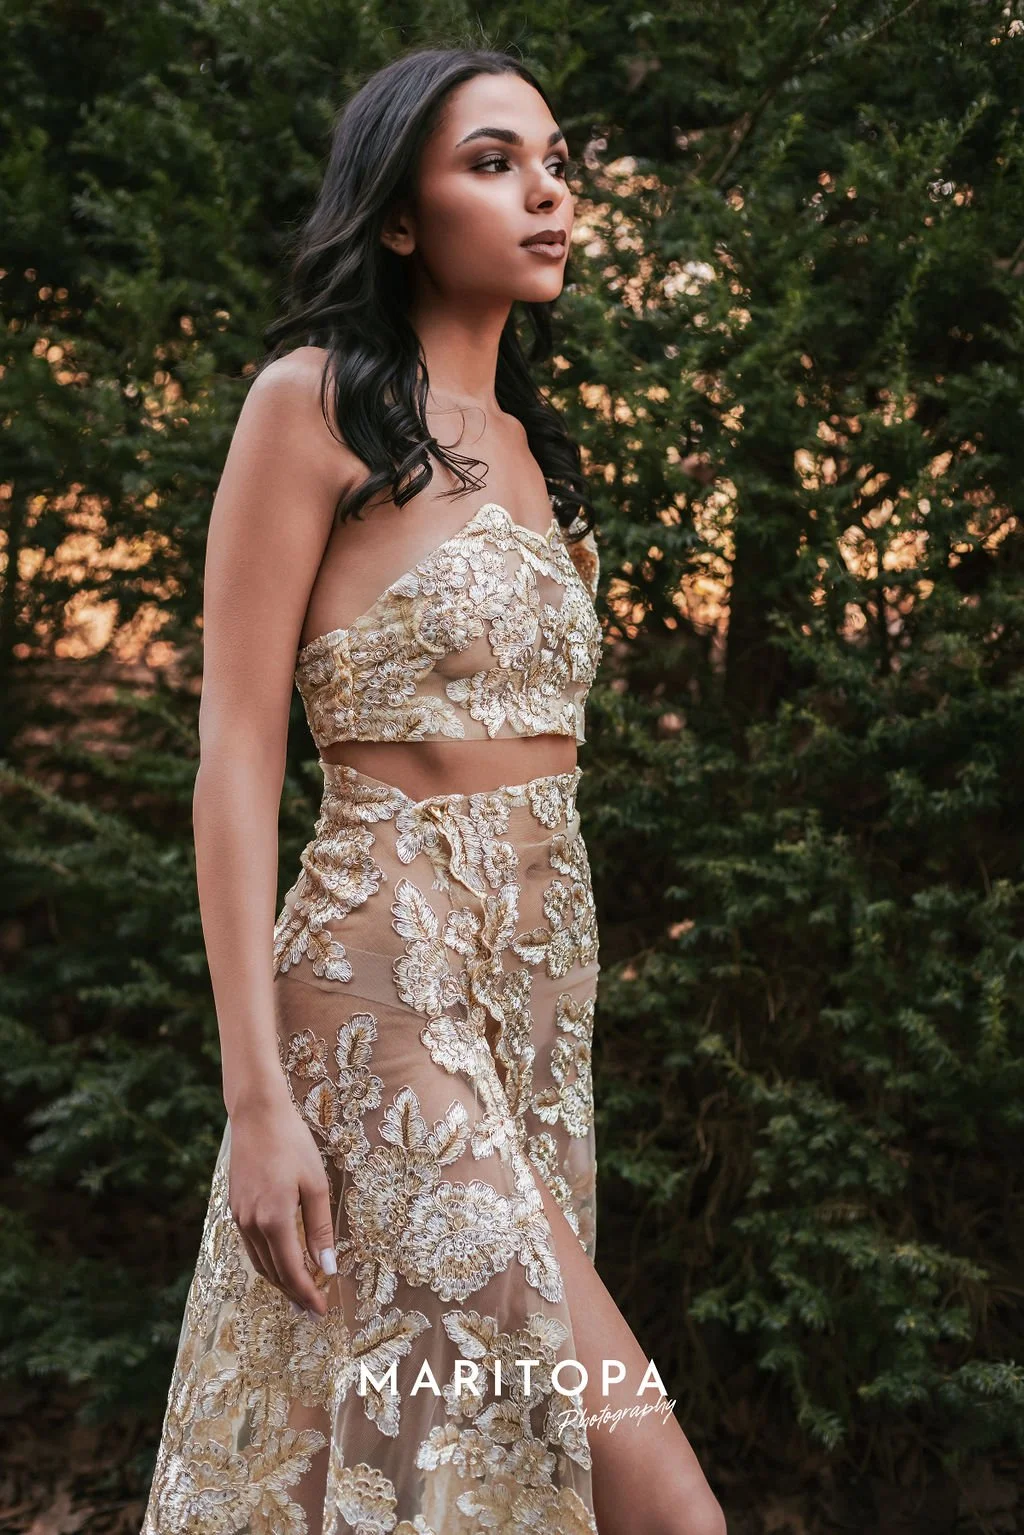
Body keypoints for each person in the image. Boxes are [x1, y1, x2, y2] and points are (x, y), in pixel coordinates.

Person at [140, 45, 726, 1535]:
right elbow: (235, 756)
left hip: (534, 1014)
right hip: (375, 1005)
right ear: (397, 216)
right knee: (662, 1499)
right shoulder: (313, 405)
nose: (546, 190)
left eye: (555, 159)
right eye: (491, 161)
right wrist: (256, 1096)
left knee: (470, 1455)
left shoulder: (537, 458)